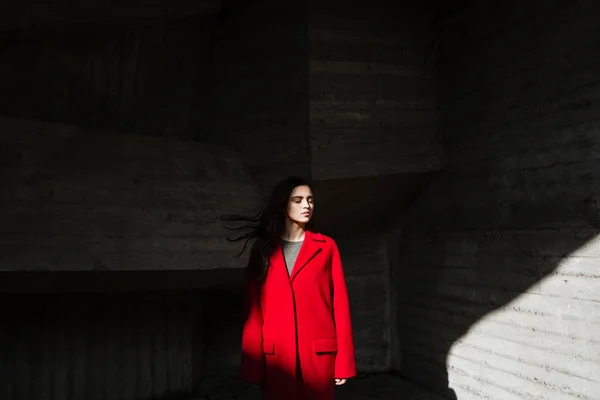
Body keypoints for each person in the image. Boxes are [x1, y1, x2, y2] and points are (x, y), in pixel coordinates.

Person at [222, 176, 356, 400]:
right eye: (298, 200)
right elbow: (254, 315)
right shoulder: (263, 250)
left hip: (317, 357)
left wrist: (342, 363)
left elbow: (339, 306)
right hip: (277, 360)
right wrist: (254, 369)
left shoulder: (327, 247)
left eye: (310, 200)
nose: (307, 206)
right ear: (283, 205)